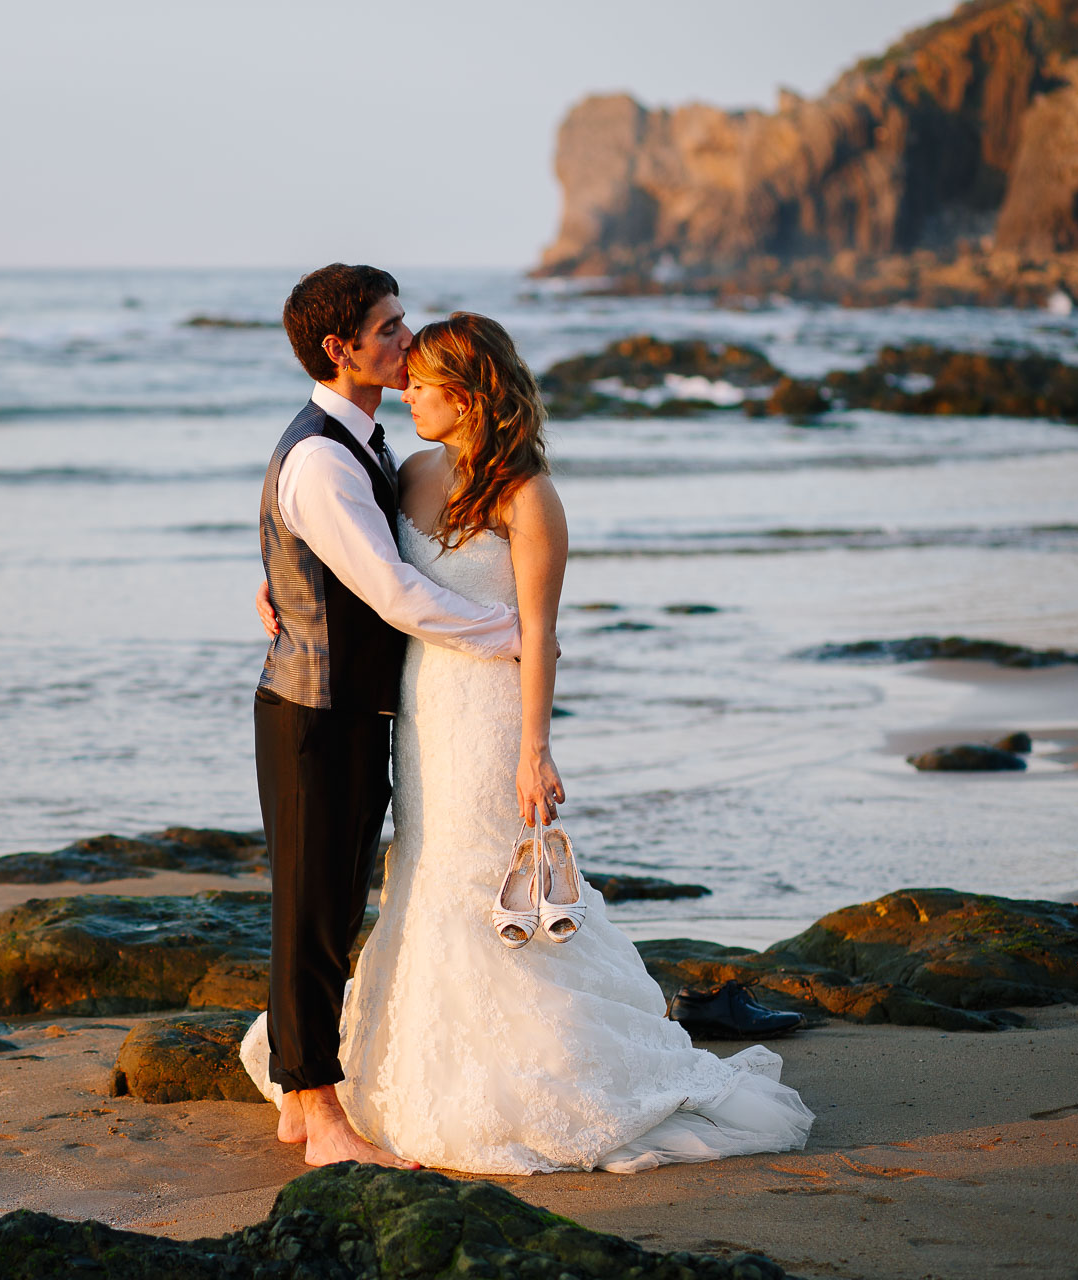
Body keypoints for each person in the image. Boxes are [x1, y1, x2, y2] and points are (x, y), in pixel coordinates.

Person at [241, 310, 814, 1174]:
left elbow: (540, 634)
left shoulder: (528, 495)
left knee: (484, 865)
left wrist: (534, 750)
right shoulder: (410, 471)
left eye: (426, 384)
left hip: (492, 713)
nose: (408, 389)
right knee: (426, 868)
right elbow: (353, 558)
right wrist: (282, 582)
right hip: (421, 707)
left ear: (468, 397)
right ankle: (399, 1066)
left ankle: (535, 1064)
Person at [246, 265, 525, 1168]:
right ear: (343, 348)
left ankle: (302, 1101)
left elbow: (334, 565)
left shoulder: (363, 444)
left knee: (330, 905)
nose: (410, 340)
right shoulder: (325, 456)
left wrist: (282, 582)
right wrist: (513, 631)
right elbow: (398, 593)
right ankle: (318, 1117)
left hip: (354, 707)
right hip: (315, 715)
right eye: (393, 327)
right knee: (312, 909)